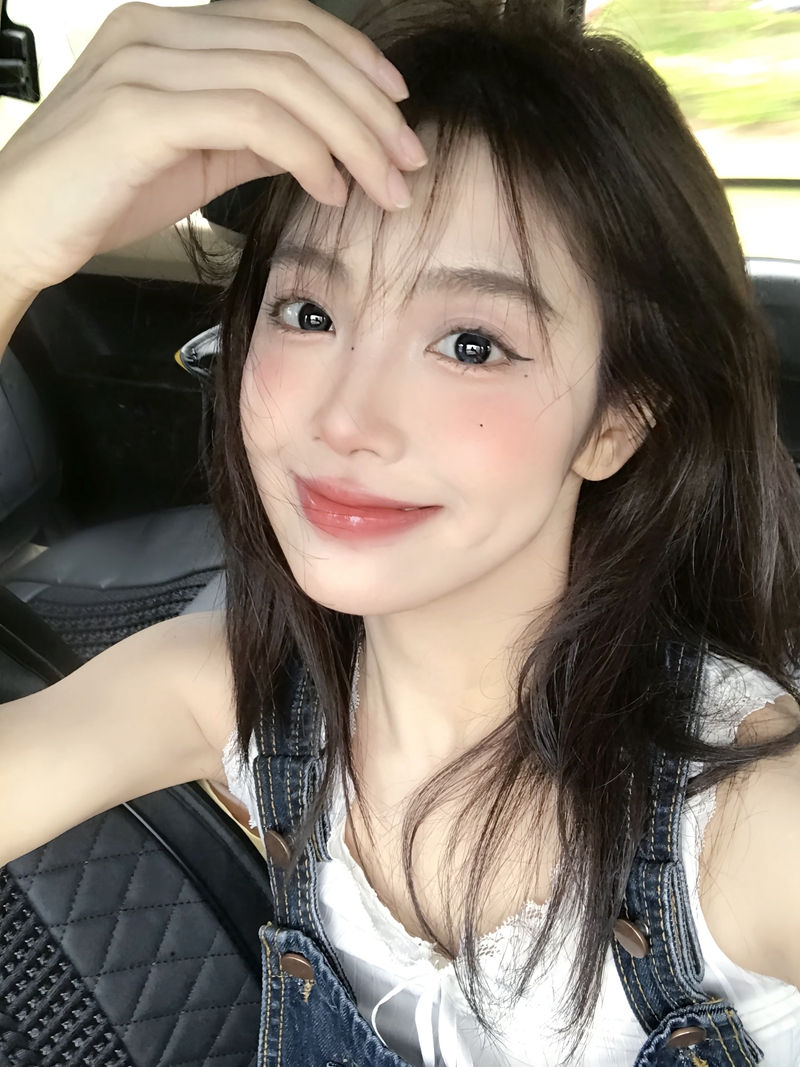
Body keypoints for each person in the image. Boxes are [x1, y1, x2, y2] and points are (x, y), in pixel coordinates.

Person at [1, 0, 800, 1063]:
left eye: (471, 342)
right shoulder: (238, 697)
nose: (345, 420)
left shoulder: (748, 824)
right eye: (309, 314)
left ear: (615, 419)